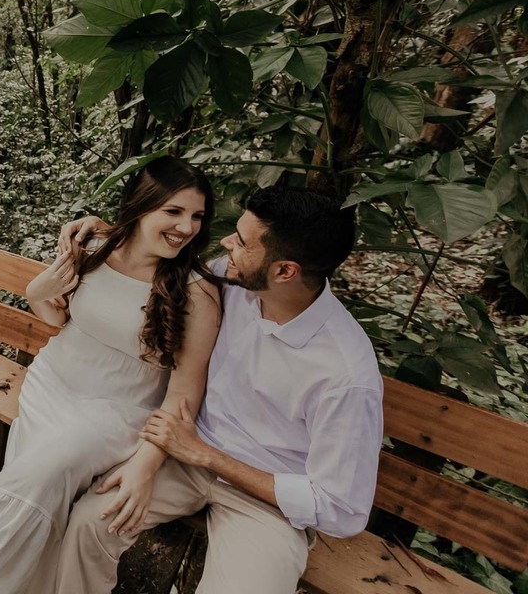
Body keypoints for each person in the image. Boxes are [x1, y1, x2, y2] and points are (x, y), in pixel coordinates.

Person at [0, 157, 222, 594]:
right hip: (52, 382)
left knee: (44, 468)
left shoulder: (195, 291)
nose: (186, 227)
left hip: (119, 409)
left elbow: (183, 397)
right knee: (36, 479)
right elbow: (57, 319)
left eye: (197, 216)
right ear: (141, 206)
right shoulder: (94, 247)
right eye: (173, 211)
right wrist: (37, 291)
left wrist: (146, 465)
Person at [54, 185, 383, 594]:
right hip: (183, 458)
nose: (227, 243)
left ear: (285, 271)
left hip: (267, 503)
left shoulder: (347, 376)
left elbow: (341, 509)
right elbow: (169, 260)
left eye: (242, 242)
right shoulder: (230, 280)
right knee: (91, 523)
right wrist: (109, 231)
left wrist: (208, 455)